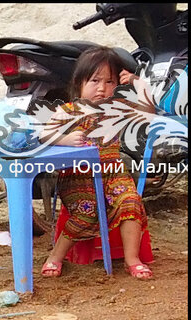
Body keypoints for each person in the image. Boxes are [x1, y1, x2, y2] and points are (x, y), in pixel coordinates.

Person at [40, 46, 153, 280]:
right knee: (86, 211)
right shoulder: (68, 111)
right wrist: (65, 139)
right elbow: (43, 134)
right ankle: (55, 257)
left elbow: (148, 113)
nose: (102, 88)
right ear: (79, 82)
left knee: (130, 201)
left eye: (110, 81)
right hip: (76, 176)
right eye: (95, 80)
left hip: (113, 173)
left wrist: (138, 84)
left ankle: (133, 260)